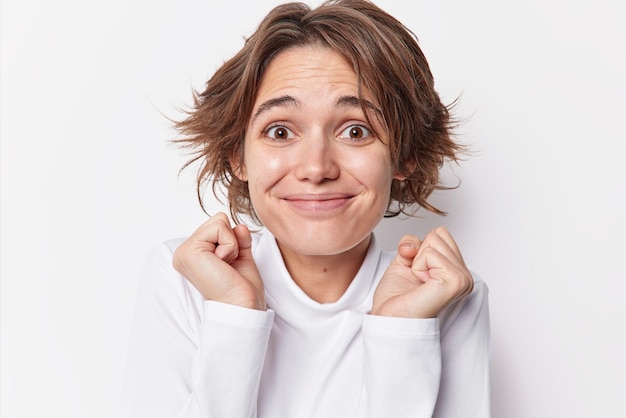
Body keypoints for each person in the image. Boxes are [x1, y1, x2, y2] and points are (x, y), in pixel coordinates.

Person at [120, 0, 490, 417]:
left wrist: (401, 330)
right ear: (237, 155)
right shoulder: (183, 278)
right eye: (279, 131)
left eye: (356, 130)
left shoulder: (445, 294)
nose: (316, 168)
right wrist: (234, 316)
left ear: (405, 155)